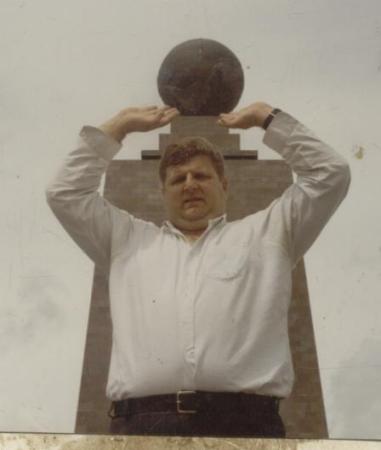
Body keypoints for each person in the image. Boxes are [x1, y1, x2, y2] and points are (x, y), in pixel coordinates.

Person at [46, 102, 350, 438]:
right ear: (163, 192)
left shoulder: (269, 232)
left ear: (224, 185)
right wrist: (119, 125)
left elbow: (330, 174)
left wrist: (269, 119)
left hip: (245, 428)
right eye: (178, 179)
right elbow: (65, 193)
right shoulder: (126, 241)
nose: (190, 184)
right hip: (141, 428)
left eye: (201, 176)